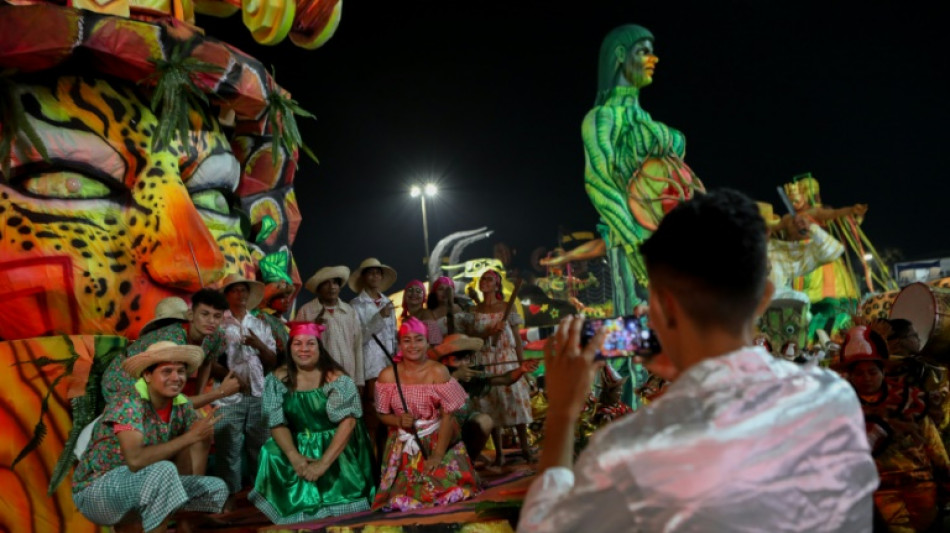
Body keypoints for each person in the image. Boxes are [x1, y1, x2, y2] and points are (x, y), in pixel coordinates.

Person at [519, 189, 878, 532]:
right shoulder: (834, 398)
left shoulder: (629, 454)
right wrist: (686, 373)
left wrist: (563, 413)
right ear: (765, 296)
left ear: (661, 306)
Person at [583, 24, 704, 315]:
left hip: (675, 242)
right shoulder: (602, 118)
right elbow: (599, 183)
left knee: (683, 325)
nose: (654, 59)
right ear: (621, 55)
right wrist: (635, 243)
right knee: (636, 338)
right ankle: (624, 361)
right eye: (644, 52)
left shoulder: (651, 123)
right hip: (633, 244)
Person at [72, 342, 228, 533]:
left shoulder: (182, 407)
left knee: (214, 489)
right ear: (147, 375)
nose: (176, 377)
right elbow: (135, 460)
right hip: (96, 491)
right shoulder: (128, 403)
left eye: (180, 371)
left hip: (141, 485)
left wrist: (188, 441)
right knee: (163, 471)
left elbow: (183, 471)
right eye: (167, 371)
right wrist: (191, 437)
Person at [100, 290, 241, 476]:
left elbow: (206, 362)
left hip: (159, 384)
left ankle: (195, 486)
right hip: (123, 378)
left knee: (201, 429)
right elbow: (174, 399)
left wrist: (198, 401)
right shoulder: (172, 340)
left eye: (217, 316)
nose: (211, 321)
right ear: (191, 315)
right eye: (205, 314)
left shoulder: (217, 336)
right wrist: (219, 392)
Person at [249, 322, 375, 523]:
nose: (304, 349)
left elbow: (348, 424)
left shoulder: (336, 379)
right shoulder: (277, 379)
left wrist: (322, 464)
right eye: (297, 344)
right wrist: (294, 456)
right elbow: (276, 423)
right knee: (269, 451)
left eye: (310, 344)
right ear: (289, 348)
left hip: (335, 439)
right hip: (299, 440)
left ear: (319, 347)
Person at [841, 325, 950, 532]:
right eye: (860, 373)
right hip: (880, 495)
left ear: (883, 371)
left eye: (872, 372)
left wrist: (946, 485)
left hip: (923, 487)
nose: (867, 378)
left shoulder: (910, 400)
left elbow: (934, 447)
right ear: (851, 376)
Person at [374, 318, 481, 511]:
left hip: (437, 439)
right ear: (399, 345)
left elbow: (448, 416)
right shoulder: (387, 376)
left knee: (442, 488)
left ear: (427, 343)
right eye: (407, 340)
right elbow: (381, 414)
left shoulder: (438, 371)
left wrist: (438, 455)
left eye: (418, 339)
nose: (413, 345)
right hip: (403, 444)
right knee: (404, 495)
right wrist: (397, 420)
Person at [214, 273, 278, 501]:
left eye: (244, 290)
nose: (240, 294)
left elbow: (272, 361)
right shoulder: (218, 323)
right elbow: (208, 361)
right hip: (227, 397)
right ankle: (228, 497)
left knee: (260, 447)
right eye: (235, 290)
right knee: (228, 449)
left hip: (258, 393)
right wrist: (231, 379)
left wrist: (259, 345)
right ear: (227, 295)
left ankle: (261, 494)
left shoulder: (259, 324)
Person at [430, 333, 539, 462]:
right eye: (457, 359)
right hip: (436, 434)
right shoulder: (433, 374)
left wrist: (521, 369)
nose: (464, 363)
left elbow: (504, 379)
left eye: (466, 358)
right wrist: (455, 377)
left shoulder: (471, 376)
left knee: (484, 420)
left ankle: (470, 463)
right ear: (444, 360)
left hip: (461, 432)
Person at [463, 269, 534, 466]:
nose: (485, 282)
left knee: (515, 402)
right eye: (482, 279)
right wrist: (488, 331)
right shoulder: (473, 312)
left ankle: (525, 448)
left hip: (506, 358)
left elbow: (517, 339)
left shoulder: (506, 307)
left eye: (489, 279)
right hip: (485, 360)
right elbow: (471, 339)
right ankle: (499, 453)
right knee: (490, 405)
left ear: (497, 285)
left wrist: (522, 365)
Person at [296, 266, 365, 388]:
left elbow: (357, 346)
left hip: (347, 377)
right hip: (318, 381)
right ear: (318, 288)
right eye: (326, 283)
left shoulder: (349, 312)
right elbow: (297, 347)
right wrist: (313, 329)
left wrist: (359, 381)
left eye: (335, 283)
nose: (332, 287)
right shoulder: (307, 311)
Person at [401, 279, 440, 345]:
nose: (414, 293)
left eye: (418, 291)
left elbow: (435, 340)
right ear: (404, 296)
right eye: (410, 290)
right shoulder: (404, 320)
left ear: (423, 297)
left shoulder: (426, 314)